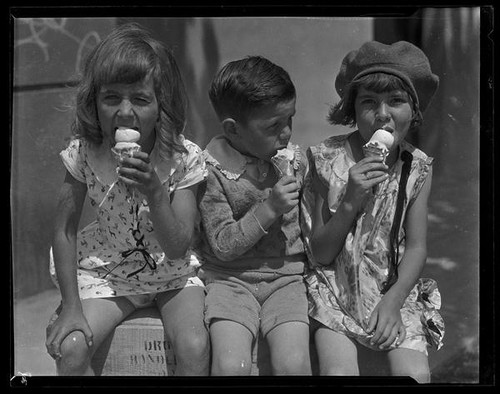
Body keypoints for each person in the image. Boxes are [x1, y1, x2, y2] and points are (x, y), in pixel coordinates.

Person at [45, 23, 210, 376]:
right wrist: (71, 307)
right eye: (111, 98)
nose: (124, 111)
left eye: (139, 99)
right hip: (109, 271)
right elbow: (65, 230)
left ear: (161, 105)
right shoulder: (85, 153)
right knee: (72, 348)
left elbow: (179, 246)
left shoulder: (184, 158)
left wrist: (154, 190)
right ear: (95, 101)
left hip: (171, 274)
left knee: (194, 347)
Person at [301, 41, 445, 383]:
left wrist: (394, 301)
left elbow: (416, 247)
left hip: (393, 289)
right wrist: (350, 199)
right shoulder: (325, 159)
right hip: (335, 290)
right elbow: (320, 254)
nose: (382, 114)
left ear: (414, 110)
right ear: (352, 109)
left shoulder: (417, 168)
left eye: (395, 101)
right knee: (338, 371)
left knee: (415, 374)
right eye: (369, 102)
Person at [197, 55, 311, 375]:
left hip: (286, 280)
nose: (286, 133)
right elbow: (222, 244)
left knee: (294, 363)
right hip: (230, 281)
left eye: (290, 119)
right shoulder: (213, 172)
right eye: (274, 126)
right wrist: (270, 208)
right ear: (233, 130)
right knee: (231, 364)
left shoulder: (294, 163)